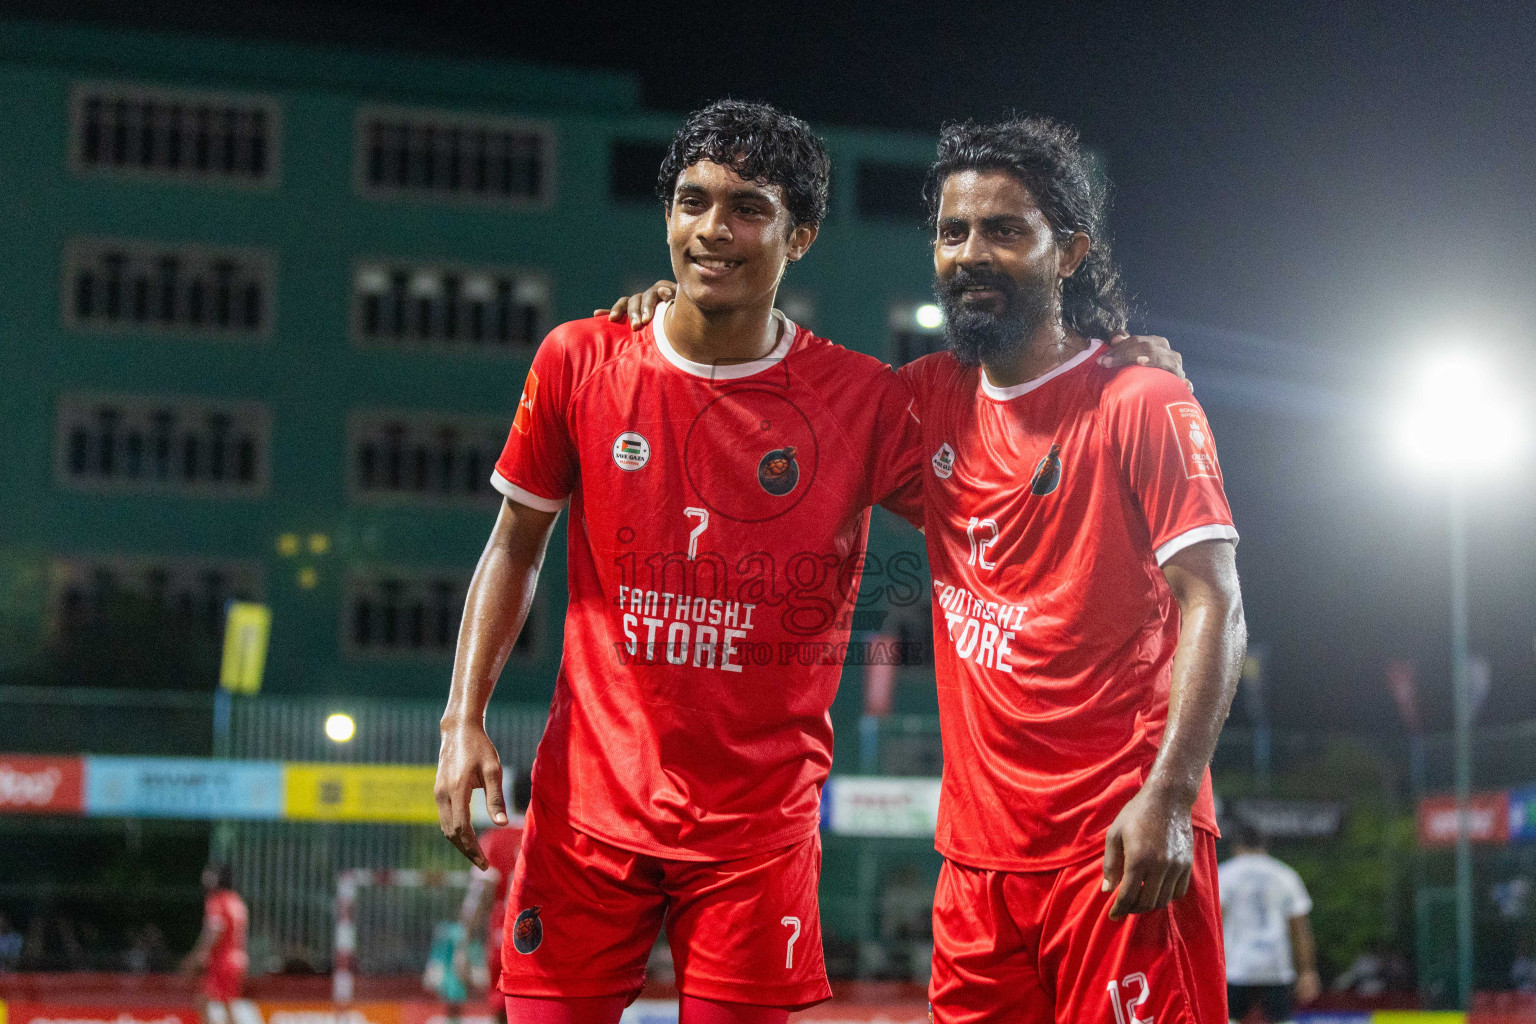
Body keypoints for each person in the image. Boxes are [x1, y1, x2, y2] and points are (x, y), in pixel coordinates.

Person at [434, 99, 1186, 1024]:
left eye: (749, 208)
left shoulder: (866, 401)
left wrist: (1108, 371)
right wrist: (460, 719)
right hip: (586, 810)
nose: (715, 229)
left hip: (756, 836)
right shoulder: (581, 358)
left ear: (802, 236)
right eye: (693, 201)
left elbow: (1011, 456)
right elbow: (513, 546)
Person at [897, 116, 1246, 1024]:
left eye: (1006, 231)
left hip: (1124, 840)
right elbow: (770, 390)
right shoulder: (924, 402)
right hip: (977, 867)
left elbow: (1216, 600)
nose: (972, 252)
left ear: (1069, 252)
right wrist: (671, 308)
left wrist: (1171, 797)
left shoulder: (1141, 399)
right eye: (953, 231)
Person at [1219, 822, 1320, 1023]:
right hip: (1276, 965)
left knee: (1227, 1019)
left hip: (1236, 965)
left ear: (1236, 846)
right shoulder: (1286, 875)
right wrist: (1307, 971)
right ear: (1265, 845)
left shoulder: (1224, 875)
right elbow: (1300, 929)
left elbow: (1214, 925)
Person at [456, 769, 534, 1017]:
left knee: (503, 1013)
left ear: (510, 799)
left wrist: (463, 948)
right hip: (545, 945)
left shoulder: (494, 841)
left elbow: (479, 898)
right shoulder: (552, 841)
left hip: (505, 944)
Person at [181, 864, 249, 1019]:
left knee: (206, 1001)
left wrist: (201, 953)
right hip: (238, 958)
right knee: (226, 1002)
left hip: (223, 960)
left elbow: (215, 931)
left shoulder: (217, 901)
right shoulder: (237, 901)